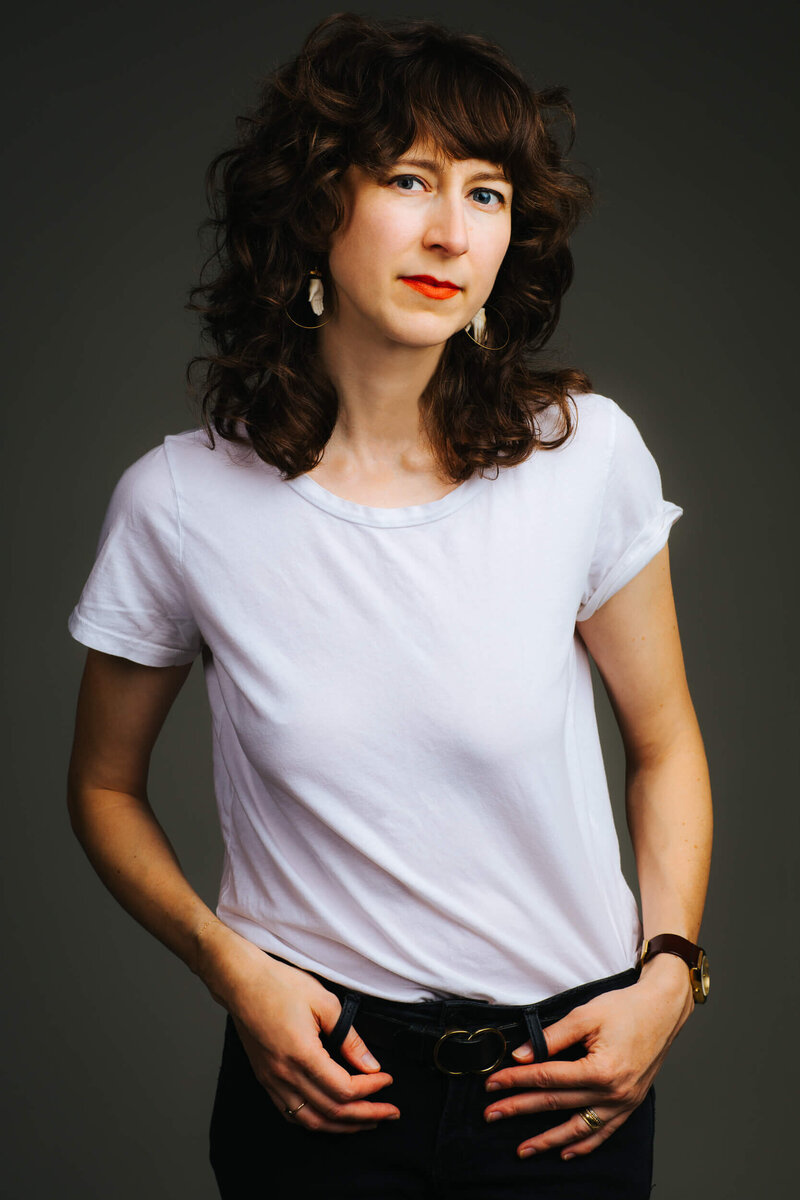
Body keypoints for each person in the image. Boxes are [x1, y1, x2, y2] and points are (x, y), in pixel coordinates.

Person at [65, 11, 713, 1199]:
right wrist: (227, 965)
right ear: (315, 204)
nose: (448, 231)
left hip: (565, 1080)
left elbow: (664, 745)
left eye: (486, 193)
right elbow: (103, 788)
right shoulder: (177, 501)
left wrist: (666, 975)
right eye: (408, 179)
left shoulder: (580, 457)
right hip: (316, 1077)